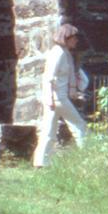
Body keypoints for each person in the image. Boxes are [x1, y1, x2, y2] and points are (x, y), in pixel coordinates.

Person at [34, 23, 89, 166]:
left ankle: (41, 163)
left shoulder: (65, 53)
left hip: (59, 99)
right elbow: (48, 77)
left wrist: (74, 93)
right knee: (79, 126)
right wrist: (49, 98)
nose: (76, 40)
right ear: (67, 38)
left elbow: (67, 78)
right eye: (74, 38)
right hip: (56, 99)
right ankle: (88, 158)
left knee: (49, 131)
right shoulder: (57, 53)